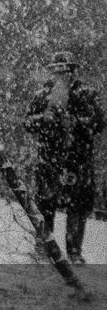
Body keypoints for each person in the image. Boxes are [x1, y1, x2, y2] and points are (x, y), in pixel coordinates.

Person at [24, 51, 103, 263]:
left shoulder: (86, 94)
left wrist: (76, 122)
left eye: (65, 71)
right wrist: (45, 119)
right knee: (45, 204)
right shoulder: (42, 95)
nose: (61, 75)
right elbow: (28, 122)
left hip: (78, 161)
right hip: (49, 159)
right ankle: (44, 246)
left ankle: (74, 251)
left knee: (77, 207)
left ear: (73, 71)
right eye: (57, 71)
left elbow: (99, 122)